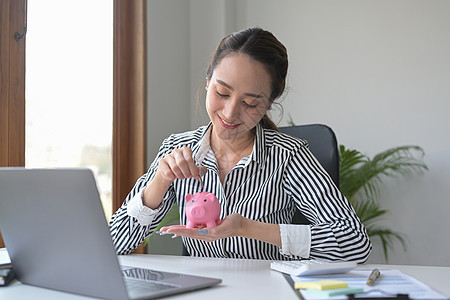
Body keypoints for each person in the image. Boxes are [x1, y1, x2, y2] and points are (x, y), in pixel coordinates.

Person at [109, 27, 372, 262]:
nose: (230, 113)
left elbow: (354, 243)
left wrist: (246, 227)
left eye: (250, 103)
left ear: (269, 103)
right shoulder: (177, 148)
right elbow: (113, 243)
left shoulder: (288, 157)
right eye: (221, 93)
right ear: (208, 80)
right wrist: (160, 182)